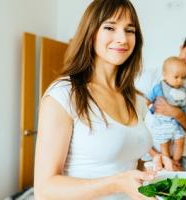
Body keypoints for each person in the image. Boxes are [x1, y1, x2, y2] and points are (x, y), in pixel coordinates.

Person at [34, 0, 155, 199]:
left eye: (129, 30)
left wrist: (151, 174)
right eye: (110, 27)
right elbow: (45, 189)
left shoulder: (137, 99)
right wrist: (117, 183)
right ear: (90, 33)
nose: (122, 38)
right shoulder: (64, 94)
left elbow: (129, 163)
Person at [147, 33, 186, 172]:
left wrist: (176, 113)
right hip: (153, 155)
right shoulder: (152, 77)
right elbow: (134, 120)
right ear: (181, 47)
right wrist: (156, 155)